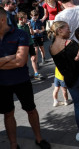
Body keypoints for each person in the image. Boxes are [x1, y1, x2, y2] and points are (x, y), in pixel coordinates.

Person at [0, 8, 51, 149]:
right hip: (2, 83)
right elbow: (16, 60)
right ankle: (13, 144)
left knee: (31, 110)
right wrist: (11, 58)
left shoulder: (20, 34)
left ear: (2, 19)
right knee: (8, 113)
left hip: (21, 80)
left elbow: (21, 61)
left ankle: (39, 139)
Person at [17, 12, 44, 80]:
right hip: (23, 46)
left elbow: (31, 33)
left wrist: (30, 26)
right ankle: (27, 73)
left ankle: (36, 73)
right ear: (20, 19)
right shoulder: (17, 27)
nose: (27, 19)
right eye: (25, 18)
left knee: (34, 58)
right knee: (25, 60)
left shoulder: (27, 25)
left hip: (30, 43)